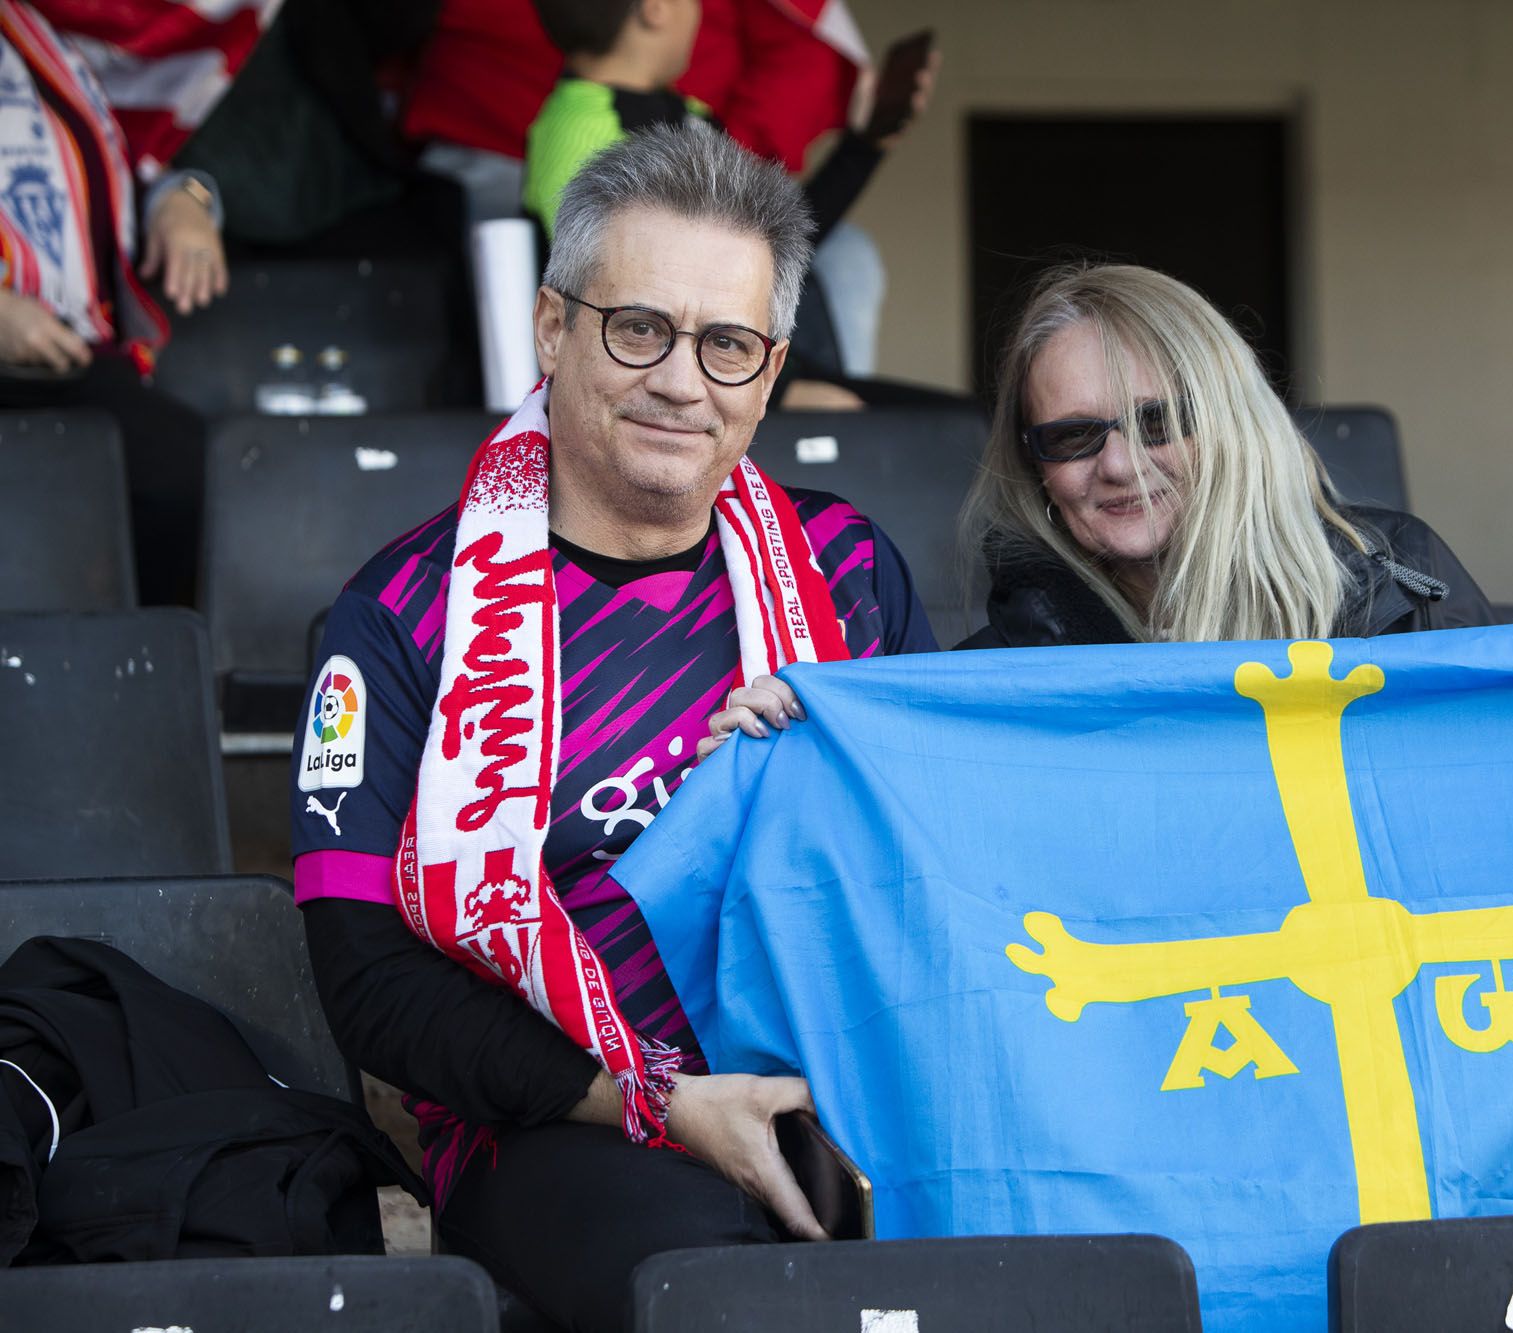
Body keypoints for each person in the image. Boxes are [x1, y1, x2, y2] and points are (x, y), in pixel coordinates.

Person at [290, 124, 934, 1333]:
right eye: (639, 328)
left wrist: (818, 778)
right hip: (550, 1123)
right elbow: (367, 983)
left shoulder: (845, 571)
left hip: (846, 1081)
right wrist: (650, 1103)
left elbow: (944, 864)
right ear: (551, 328)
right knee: (726, 1296)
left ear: (772, 365)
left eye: (727, 344)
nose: (682, 381)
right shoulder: (397, 615)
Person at [703, 263, 1513, 758]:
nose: (1122, 464)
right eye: (1074, 435)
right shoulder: (1014, 659)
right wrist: (794, 735)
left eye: (1158, 418)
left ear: (1226, 416)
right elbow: (905, 788)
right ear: (1035, 467)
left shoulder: (1390, 577)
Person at [522, 0, 939, 406]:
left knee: (948, 417)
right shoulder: (577, 133)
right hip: (683, 375)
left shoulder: (686, 112)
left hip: (736, 357)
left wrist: (864, 146)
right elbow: (631, 306)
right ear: (656, 8)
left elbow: (770, 240)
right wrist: (783, 392)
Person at [0, 0, 228, 605]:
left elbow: (111, 156)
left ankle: (141, 671)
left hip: (69, 351)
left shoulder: (35, 28)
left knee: (189, 469)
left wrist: (185, 198)